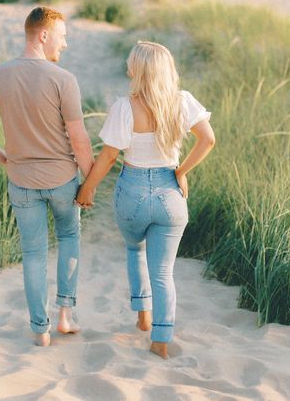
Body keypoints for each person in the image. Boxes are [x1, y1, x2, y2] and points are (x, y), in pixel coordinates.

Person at [76, 41, 215, 359]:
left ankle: (143, 317)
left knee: (134, 248)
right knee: (164, 272)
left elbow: (109, 156)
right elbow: (208, 139)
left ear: (138, 71)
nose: (127, 68)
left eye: (130, 64)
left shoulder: (125, 107)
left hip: (133, 192)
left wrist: (88, 188)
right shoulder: (182, 102)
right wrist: (181, 171)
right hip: (171, 194)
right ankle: (161, 342)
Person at [0, 6, 94, 347]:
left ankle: (40, 330)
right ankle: (65, 317)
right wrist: (90, 180)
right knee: (69, 238)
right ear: (43, 35)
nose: (65, 44)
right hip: (62, 181)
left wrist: (7, 160)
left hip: (22, 181)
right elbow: (80, 140)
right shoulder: (64, 79)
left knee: (34, 254)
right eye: (63, 36)